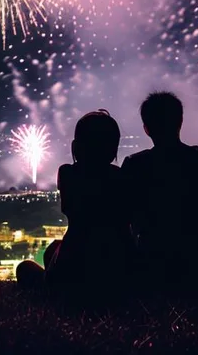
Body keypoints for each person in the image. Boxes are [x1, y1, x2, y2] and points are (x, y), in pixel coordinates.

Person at [121, 91, 198, 290]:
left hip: (151, 263)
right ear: (180, 122)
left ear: (146, 129)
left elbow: (127, 216)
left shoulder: (135, 164)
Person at [16, 110, 135, 296]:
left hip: (74, 262)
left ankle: (52, 290)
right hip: (119, 264)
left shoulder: (67, 173)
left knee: (25, 268)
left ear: (77, 146)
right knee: (53, 247)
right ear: (113, 149)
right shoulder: (122, 177)